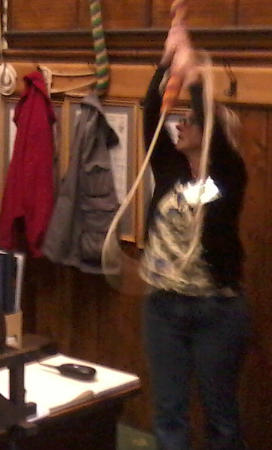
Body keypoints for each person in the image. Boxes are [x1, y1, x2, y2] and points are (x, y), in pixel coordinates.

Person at [141, 28, 250, 450]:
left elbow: (214, 134)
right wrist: (167, 64)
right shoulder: (170, 171)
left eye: (190, 120)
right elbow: (154, 113)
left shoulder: (228, 174)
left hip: (216, 310)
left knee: (220, 414)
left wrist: (197, 78)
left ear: (208, 131)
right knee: (169, 412)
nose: (180, 124)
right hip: (164, 307)